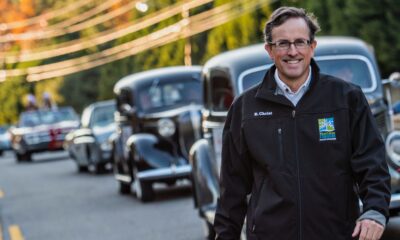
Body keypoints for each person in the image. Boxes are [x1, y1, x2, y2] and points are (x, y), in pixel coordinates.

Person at [214, 6, 391, 240]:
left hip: (337, 233)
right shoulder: (245, 108)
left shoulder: (347, 98)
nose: (293, 51)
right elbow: (232, 187)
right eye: (283, 43)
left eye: (300, 42)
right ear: (269, 50)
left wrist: (375, 210)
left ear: (312, 47)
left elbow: (372, 163)